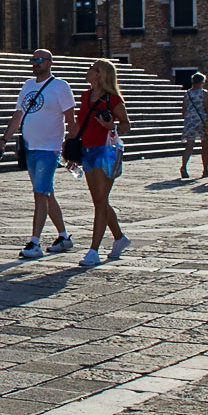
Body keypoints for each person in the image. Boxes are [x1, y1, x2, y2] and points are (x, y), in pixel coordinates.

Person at [0, 49, 75, 259]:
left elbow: (70, 119)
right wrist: (4, 140)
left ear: (50, 63)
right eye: (33, 60)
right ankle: (64, 237)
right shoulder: (28, 85)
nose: (35, 63)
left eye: (39, 60)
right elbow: (18, 115)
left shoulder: (61, 87)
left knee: (40, 193)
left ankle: (35, 242)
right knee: (46, 193)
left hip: (49, 149)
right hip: (30, 148)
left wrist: (70, 145)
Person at [74, 59, 131, 266]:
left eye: (91, 69)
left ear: (99, 74)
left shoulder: (113, 99)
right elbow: (79, 122)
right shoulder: (85, 96)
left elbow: (126, 125)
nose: (88, 71)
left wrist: (110, 126)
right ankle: (119, 238)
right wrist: (69, 143)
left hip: (105, 151)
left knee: (100, 201)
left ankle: (94, 250)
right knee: (99, 200)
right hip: (87, 150)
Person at [179, 72, 208, 179]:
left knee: (189, 145)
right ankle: (205, 169)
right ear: (202, 82)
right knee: (205, 146)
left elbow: (183, 111)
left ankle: (184, 167)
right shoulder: (204, 93)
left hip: (190, 121)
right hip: (202, 121)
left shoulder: (187, 93)